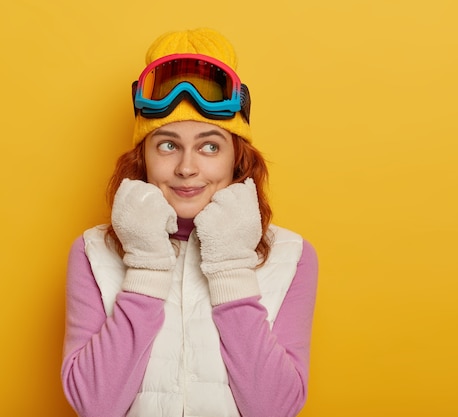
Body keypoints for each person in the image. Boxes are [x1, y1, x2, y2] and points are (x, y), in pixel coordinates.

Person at [61, 28, 318, 417]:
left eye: (210, 146)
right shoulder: (92, 251)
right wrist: (145, 264)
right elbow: (95, 407)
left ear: (237, 158)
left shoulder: (292, 255)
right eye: (167, 144)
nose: (186, 168)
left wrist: (232, 266)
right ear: (142, 158)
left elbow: (274, 409)